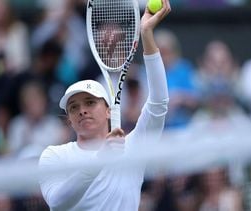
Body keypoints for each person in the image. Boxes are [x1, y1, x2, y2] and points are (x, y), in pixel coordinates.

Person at [38, 0, 171, 210]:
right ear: (70, 120)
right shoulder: (54, 156)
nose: (82, 110)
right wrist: (101, 159)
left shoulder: (133, 148)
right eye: (73, 107)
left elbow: (159, 103)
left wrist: (146, 33)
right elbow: (58, 203)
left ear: (109, 110)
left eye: (90, 102)